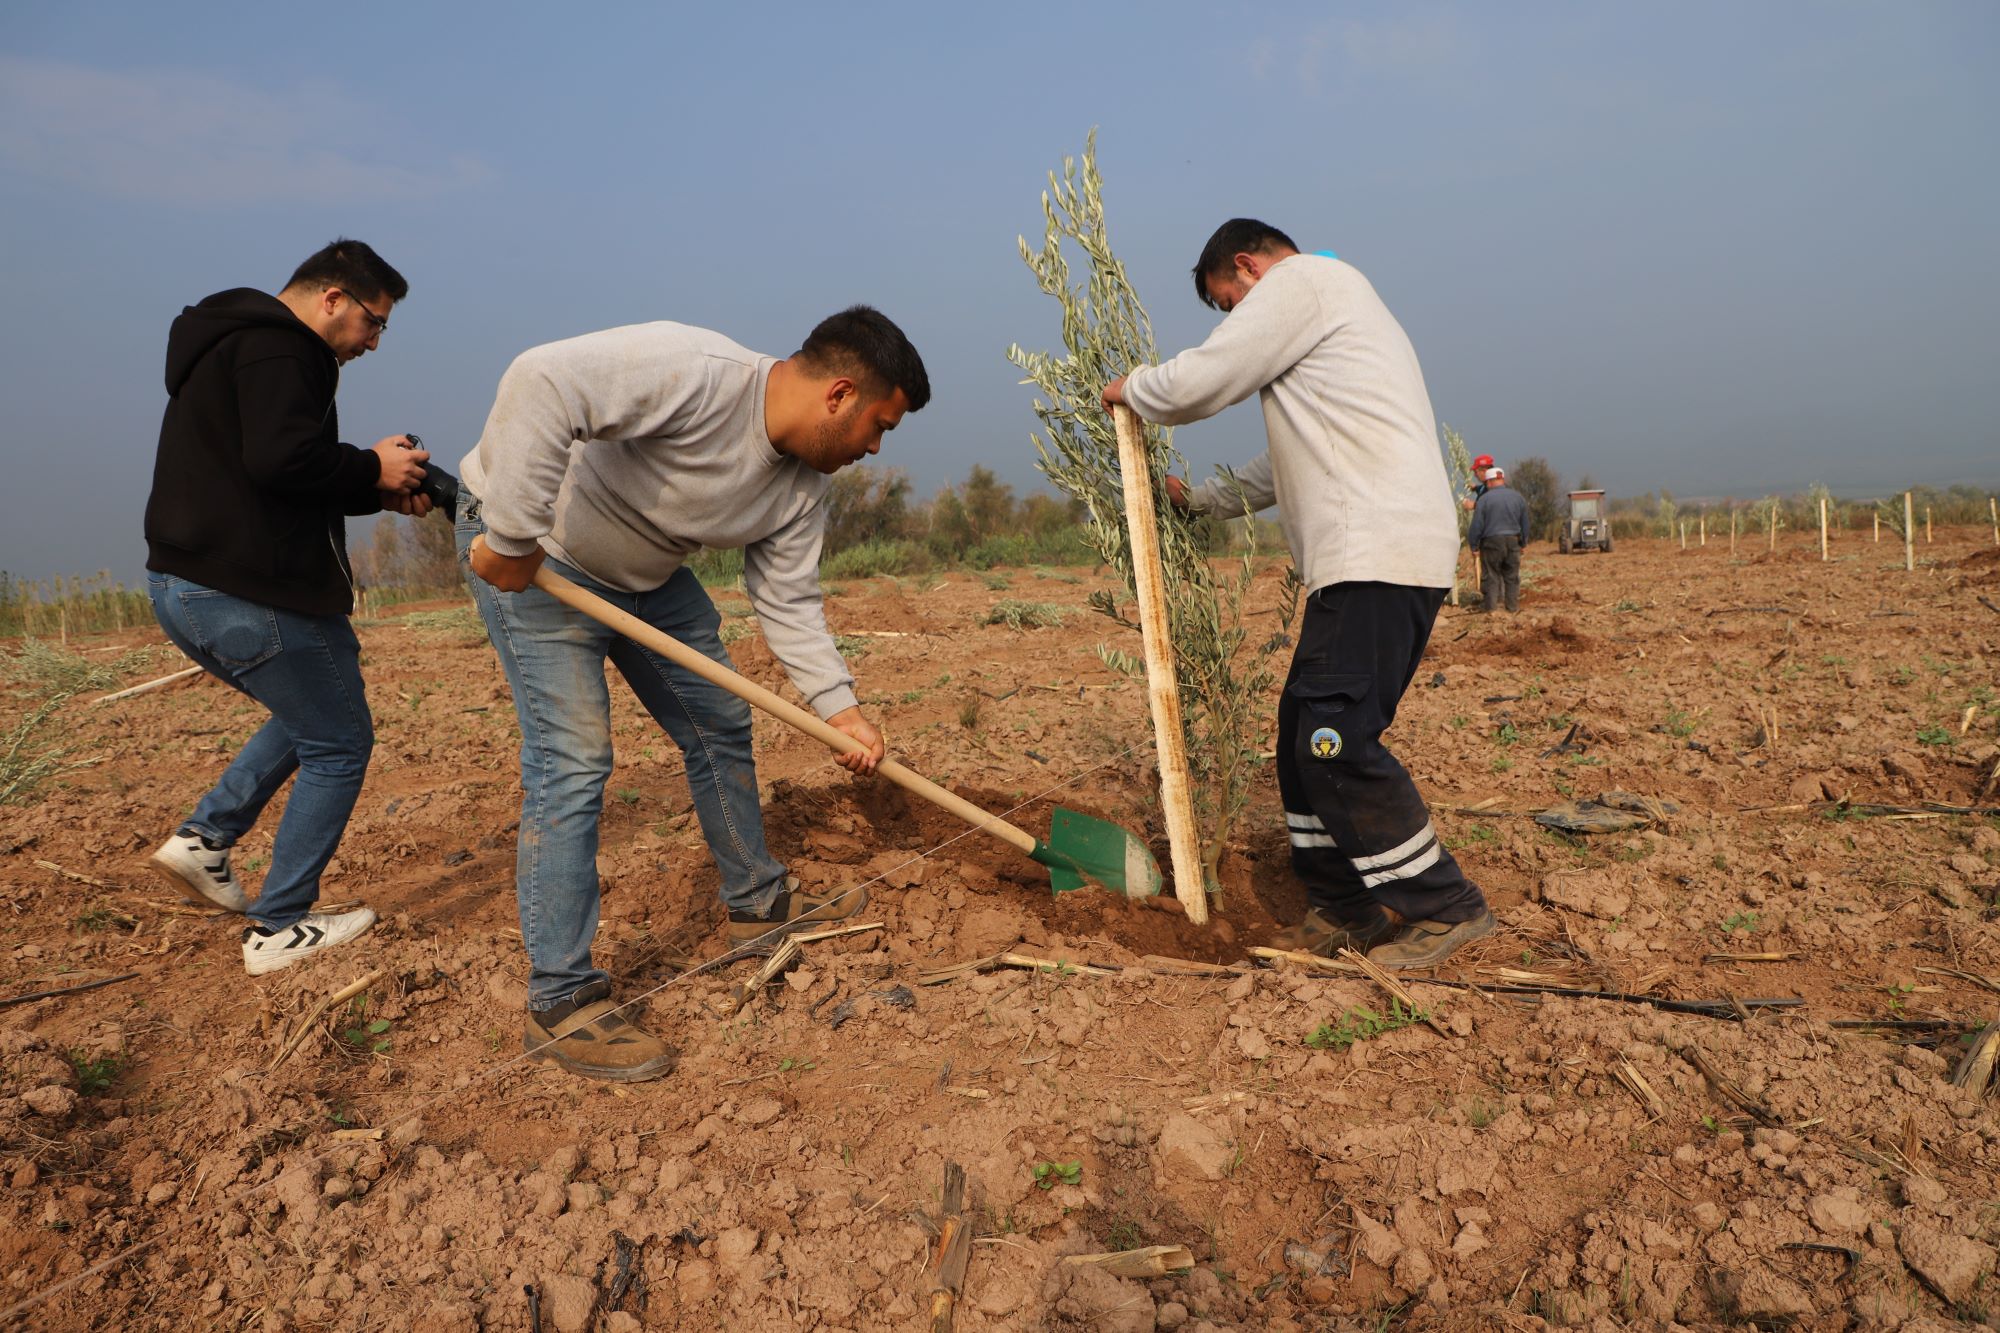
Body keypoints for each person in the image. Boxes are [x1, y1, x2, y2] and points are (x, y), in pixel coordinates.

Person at [457, 307, 929, 1082]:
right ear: (839, 394)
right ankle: (562, 997)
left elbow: (788, 598)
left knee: (718, 720)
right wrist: (512, 537)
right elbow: (540, 381)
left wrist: (840, 708)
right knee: (573, 760)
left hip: (647, 575)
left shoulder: (803, 489)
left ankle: (757, 901)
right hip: (539, 558)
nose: (874, 448)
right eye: (878, 426)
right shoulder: (696, 370)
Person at [1102, 218, 1494, 970]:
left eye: (1226, 304)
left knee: (1335, 738)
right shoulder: (1331, 313)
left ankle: (1444, 904)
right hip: (1364, 558)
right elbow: (1282, 462)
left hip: (1376, 554)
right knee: (1299, 740)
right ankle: (1342, 906)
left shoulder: (1305, 282)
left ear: (1249, 269)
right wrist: (1203, 500)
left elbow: (1201, 381)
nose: (1232, 320)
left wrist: (1131, 391)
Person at [144, 239, 430, 975]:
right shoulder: (283, 348)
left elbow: (271, 476)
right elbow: (281, 458)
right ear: (332, 298)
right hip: (249, 592)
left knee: (313, 712)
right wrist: (370, 464)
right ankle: (278, 925)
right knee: (340, 741)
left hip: (189, 585)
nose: (373, 341)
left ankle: (206, 838)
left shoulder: (231, 344)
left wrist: (373, 486)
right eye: (374, 322)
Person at [1467, 467, 1530, 613]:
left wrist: (1474, 545)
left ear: (1488, 482)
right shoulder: (1518, 497)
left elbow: (1477, 525)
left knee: (1491, 576)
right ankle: (1512, 609)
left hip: (1491, 542)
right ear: (1503, 480)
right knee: (1512, 576)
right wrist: (1523, 542)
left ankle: (1491, 610)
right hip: (1513, 540)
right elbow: (1525, 523)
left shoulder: (1484, 499)